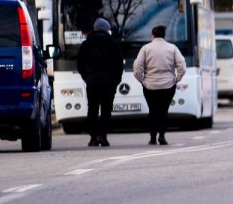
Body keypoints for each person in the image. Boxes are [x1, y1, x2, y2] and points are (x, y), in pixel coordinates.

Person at [133, 24, 186, 145]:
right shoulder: (172, 48)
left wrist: (142, 80)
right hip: (168, 85)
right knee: (164, 110)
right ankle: (162, 135)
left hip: (150, 85)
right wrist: (177, 78)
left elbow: (137, 66)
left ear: (152, 35)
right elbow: (182, 65)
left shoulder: (145, 48)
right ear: (164, 35)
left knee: (152, 110)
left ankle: (152, 137)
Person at [76, 17, 123, 147]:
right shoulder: (113, 43)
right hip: (109, 82)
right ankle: (103, 136)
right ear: (106, 29)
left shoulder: (86, 44)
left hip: (92, 81)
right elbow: (119, 64)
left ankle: (93, 137)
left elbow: (80, 64)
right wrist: (116, 79)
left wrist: (86, 77)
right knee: (106, 110)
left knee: (92, 109)